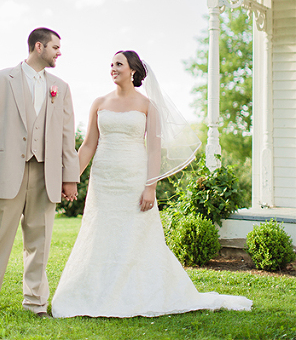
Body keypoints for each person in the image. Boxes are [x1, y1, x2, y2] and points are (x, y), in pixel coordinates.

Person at [51, 50, 252, 318]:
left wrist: (150, 187)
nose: (112, 68)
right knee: (101, 233)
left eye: (118, 64)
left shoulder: (148, 106)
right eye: (111, 64)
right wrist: (70, 178)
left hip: (134, 179)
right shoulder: (99, 103)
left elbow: (154, 150)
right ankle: (96, 291)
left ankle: (137, 291)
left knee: (135, 236)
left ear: (133, 70)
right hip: (104, 180)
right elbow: (88, 145)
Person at [0, 27, 80, 319]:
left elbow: (67, 137)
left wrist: (70, 178)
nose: (60, 52)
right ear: (38, 46)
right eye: (55, 47)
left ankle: (36, 303)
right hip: (6, 172)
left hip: (46, 174)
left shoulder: (61, 87)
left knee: (40, 243)